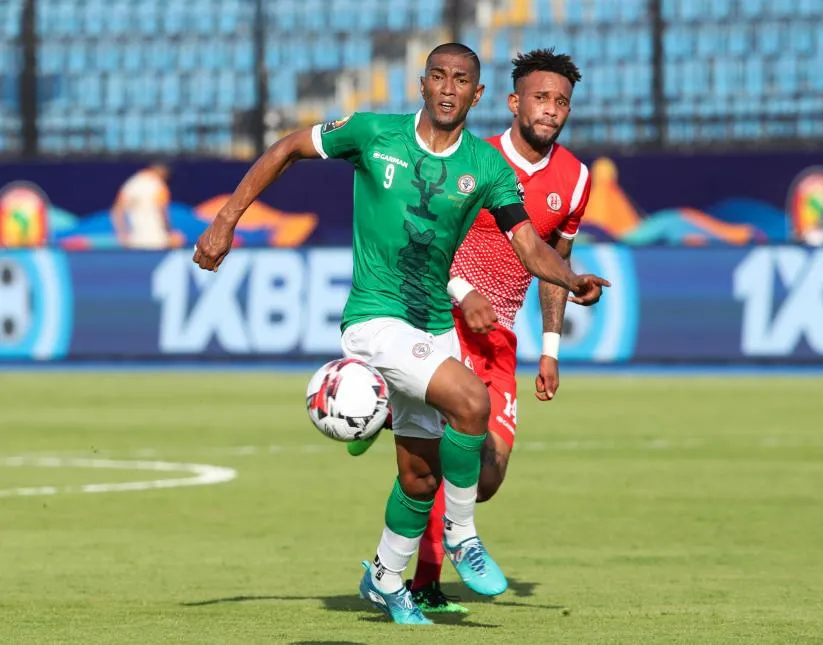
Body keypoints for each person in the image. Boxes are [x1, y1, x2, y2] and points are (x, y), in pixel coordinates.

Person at [192, 42, 609, 626]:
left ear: (477, 95)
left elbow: (528, 245)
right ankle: (463, 535)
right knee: (471, 402)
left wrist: (570, 278)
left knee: (421, 475)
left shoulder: (487, 168)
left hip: (435, 327)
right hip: (375, 318)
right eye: (438, 76)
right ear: (422, 82)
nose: (447, 88)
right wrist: (226, 219)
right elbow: (288, 147)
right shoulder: (372, 133)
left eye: (460, 80)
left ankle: (387, 579)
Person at [347, 48, 591, 614]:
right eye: (540, 98)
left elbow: (550, 260)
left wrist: (551, 348)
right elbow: (426, 242)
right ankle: (423, 581)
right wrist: (462, 291)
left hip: (501, 337)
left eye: (561, 102)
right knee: (444, 445)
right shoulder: (473, 158)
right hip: (445, 320)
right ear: (512, 102)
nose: (550, 109)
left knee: (486, 476)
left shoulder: (576, 179)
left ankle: (385, 411)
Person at [111, 164, 175, 249]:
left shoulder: (131, 184)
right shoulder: (158, 185)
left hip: (135, 240)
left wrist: (122, 233)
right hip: (157, 239)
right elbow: (163, 212)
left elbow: (117, 210)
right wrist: (170, 232)